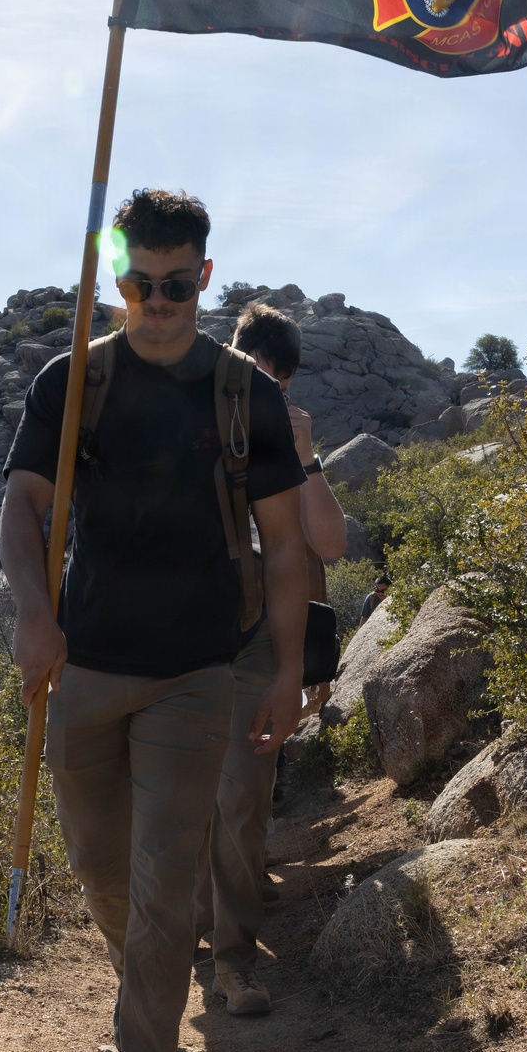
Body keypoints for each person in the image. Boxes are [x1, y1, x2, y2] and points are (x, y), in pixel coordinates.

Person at [0, 189, 308, 1052]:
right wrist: (33, 614)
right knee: (101, 870)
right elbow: (22, 508)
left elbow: (290, 542)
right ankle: (148, 992)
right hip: (84, 665)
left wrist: (288, 669)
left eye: (178, 285)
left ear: (205, 278)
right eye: (140, 282)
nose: (159, 300)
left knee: (165, 875)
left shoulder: (242, 395)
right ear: (118, 272)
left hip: (194, 673)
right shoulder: (71, 385)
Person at [197, 301, 347, 1016]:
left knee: (244, 796)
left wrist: (305, 454)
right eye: (261, 375)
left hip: (257, 635)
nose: (268, 391)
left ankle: (233, 959)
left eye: (279, 383)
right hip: (184, 633)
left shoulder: (285, 437)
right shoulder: (191, 408)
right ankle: (192, 926)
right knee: (180, 794)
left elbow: (328, 542)